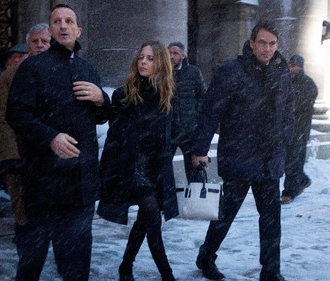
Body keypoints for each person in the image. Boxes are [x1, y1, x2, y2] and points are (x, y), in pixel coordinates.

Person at [6, 4, 111, 281]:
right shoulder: (33, 68)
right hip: (43, 182)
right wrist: (50, 137)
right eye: (57, 21)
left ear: (78, 29)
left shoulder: (88, 68)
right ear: (51, 30)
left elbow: (101, 118)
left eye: (69, 21)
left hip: (81, 184)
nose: (63, 26)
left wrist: (102, 99)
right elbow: (16, 113)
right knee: (32, 259)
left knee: (76, 263)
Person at [191, 20, 294, 281]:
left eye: (272, 43)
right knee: (225, 215)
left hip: (270, 160)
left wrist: (287, 142)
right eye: (262, 42)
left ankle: (271, 271)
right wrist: (199, 148)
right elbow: (210, 110)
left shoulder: (281, 73)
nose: (268, 48)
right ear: (251, 43)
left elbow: (287, 111)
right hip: (239, 156)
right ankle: (206, 257)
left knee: (271, 219)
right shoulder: (233, 71)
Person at [97, 40, 178, 281]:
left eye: (150, 58)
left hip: (156, 169)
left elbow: (175, 132)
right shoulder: (124, 94)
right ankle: (168, 275)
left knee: (145, 221)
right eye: (141, 57)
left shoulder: (167, 97)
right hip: (133, 169)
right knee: (152, 217)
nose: (143, 61)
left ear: (161, 64)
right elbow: (115, 135)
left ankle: (125, 266)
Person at [0, 22, 51, 228]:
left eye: (44, 41)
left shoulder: (62, 70)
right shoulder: (10, 75)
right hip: (20, 152)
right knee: (24, 212)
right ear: (28, 44)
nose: (39, 45)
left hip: (50, 153)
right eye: (35, 41)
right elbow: (2, 114)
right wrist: (9, 155)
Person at [280, 54, 318, 204]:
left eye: (294, 66)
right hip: (287, 129)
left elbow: (302, 105)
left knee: (294, 161)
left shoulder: (307, 84)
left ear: (300, 67)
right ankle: (301, 180)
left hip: (299, 130)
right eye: (290, 65)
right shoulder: (285, 81)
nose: (292, 68)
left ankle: (289, 191)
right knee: (288, 160)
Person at [168, 41, 207, 183]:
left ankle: (196, 201)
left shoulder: (193, 72)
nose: (172, 56)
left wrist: (195, 117)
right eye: (169, 53)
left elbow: (202, 97)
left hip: (188, 129)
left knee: (193, 169)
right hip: (169, 128)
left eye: (175, 53)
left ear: (183, 55)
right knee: (163, 169)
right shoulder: (162, 73)